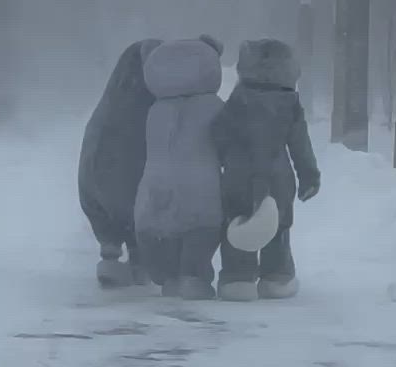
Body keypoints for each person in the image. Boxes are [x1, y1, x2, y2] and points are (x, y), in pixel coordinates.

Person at [212, 38, 320, 302]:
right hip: (278, 177)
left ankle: (238, 279)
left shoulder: (238, 99)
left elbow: (219, 133)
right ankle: (276, 277)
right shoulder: (290, 103)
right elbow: (299, 144)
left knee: (236, 222)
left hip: (238, 176)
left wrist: (225, 158)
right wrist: (309, 176)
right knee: (278, 227)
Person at [135, 35, 224, 300]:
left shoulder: (155, 110)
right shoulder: (214, 107)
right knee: (200, 229)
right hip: (202, 183)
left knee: (159, 228)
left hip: (156, 184)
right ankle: (192, 276)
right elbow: (228, 140)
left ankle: (168, 274)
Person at [78, 38, 161, 287]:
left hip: (96, 182)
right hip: (131, 185)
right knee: (134, 208)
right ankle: (138, 259)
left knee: (111, 208)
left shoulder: (110, 102)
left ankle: (110, 249)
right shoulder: (147, 105)